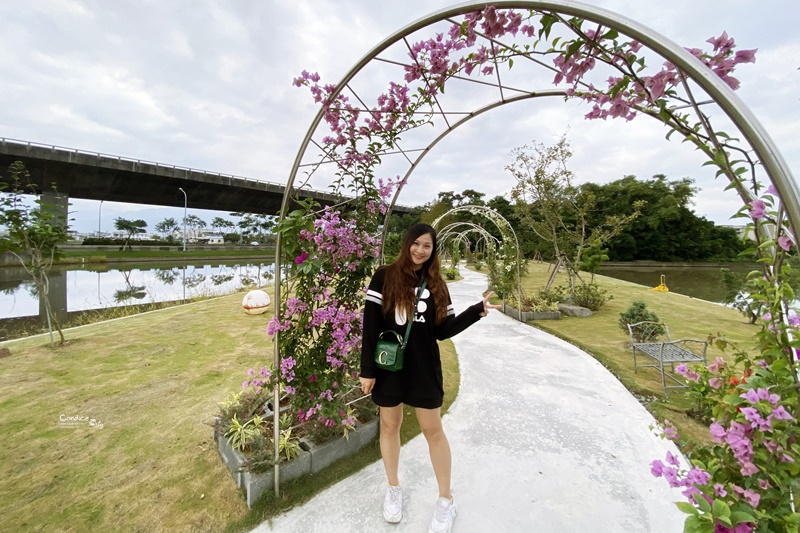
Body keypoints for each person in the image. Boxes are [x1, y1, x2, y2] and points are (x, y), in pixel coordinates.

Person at [359, 222, 500, 533]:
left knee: (433, 430)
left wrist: (476, 311)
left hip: (423, 368)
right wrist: (367, 370)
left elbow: (442, 331)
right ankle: (393, 488)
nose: (421, 250)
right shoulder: (384, 276)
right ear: (407, 242)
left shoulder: (436, 283)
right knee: (389, 425)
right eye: (417, 243)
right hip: (388, 366)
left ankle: (445, 500)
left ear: (433, 250)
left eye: (427, 246)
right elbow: (369, 326)